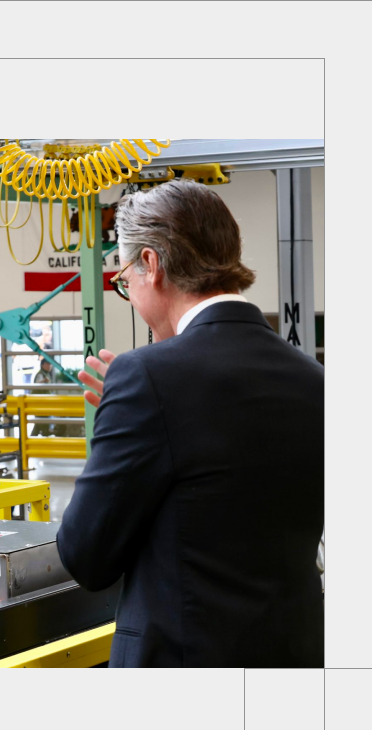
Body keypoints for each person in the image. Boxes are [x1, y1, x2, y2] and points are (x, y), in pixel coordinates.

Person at [56, 180, 324, 668]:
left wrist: (118, 425)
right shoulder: (315, 378)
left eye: (124, 280)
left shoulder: (145, 377)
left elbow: (85, 556)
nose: (130, 293)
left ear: (151, 266)